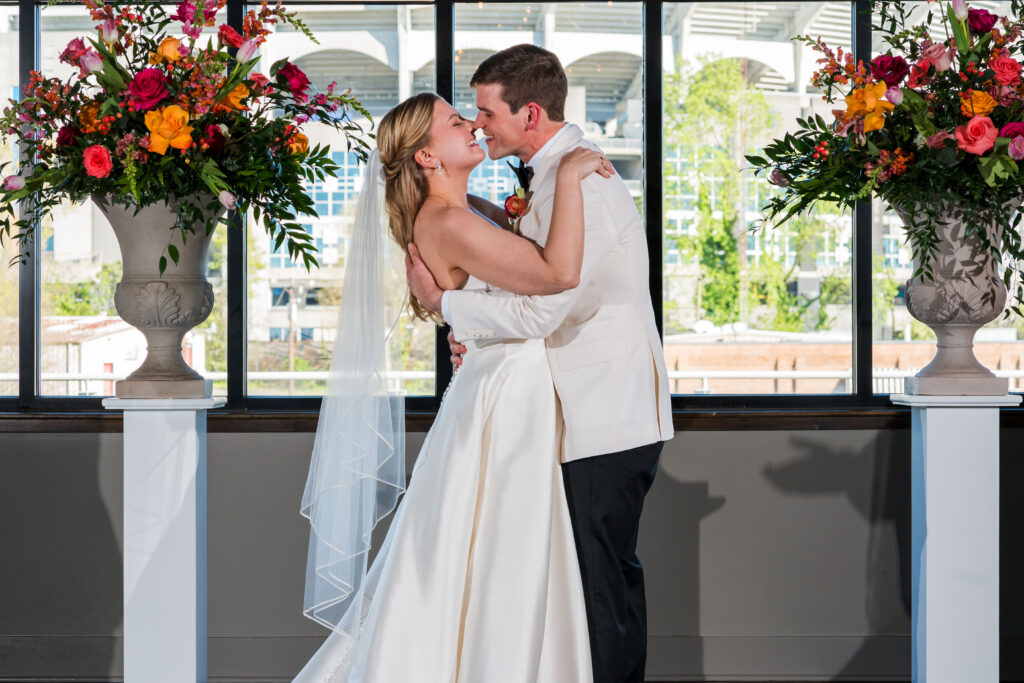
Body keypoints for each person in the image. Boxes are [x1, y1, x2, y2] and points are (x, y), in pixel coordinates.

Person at [294, 91, 614, 682]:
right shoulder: (446, 221)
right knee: (503, 552)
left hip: (502, 389)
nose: (469, 124)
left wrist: (453, 310)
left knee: (490, 552)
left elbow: (497, 278)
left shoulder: (468, 212)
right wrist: (568, 176)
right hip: (505, 400)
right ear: (424, 157)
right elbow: (555, 274)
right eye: (453, 121)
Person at [406, 44, 674, 683]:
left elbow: (546, 311)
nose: (478, 125)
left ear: (529, 114)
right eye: (468, 117)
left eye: (485, 112)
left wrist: (453, 308)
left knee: (601, 585)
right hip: (570, 410)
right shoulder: (547, 180)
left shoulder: (579, 183)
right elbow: (523, 279)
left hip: (603, 412)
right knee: (585, 584)